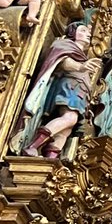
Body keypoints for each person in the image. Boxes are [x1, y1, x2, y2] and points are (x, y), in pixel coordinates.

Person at [12, 20, 101, 158]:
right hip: (71, 87)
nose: (88, 34)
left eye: (88, 31)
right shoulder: (65, 45)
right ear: (72, 33)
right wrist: (80, 67)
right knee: (70, 118)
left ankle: (49, 159)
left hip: (81, 92)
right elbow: (63, 61)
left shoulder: (82, 56)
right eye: (83, 30)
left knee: (66, 130)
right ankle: (32, 146)